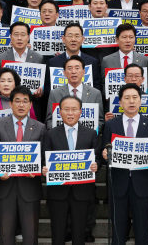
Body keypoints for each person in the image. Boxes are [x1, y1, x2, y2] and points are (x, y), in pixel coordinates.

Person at [101, 83, 148, 245]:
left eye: (135, 97)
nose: (131, 101)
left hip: (141, 182)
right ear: (120, 103)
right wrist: (105, 154)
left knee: (142, 227)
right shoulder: (111, 124)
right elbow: (104, 148)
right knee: (118, 227)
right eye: (126, 98)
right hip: (118, 182)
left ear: (141, 101)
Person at [0, 86, 46, 245]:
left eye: (25, 101)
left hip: (30, 185)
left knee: (30, 235)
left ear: (30, 105)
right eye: (17, 101)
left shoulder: (40, 127)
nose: (21, 105)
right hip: (4, 185)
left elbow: (42, 156)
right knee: (6, 236)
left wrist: (37, 170)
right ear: (11, 104)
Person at [43, 95, 100, 245]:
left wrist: (96, 165)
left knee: (79, 233)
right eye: (66, 109)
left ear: (80, 112)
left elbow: (98, 157)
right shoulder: (50, 134)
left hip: (81, 192)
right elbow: (44, 158)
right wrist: (44, 168)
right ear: (59, 112)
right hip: (57, 192)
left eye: (74, 109)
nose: (70, 113)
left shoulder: (90, 133)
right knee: (57, 232)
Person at [46, 55, 104, 130]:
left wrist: (89, 135)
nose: (73, 72)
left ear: (83, 72)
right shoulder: (55, 93)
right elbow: (49, 121)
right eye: (69, 68)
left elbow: (100, 120)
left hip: (87, 139)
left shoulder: (95, 93)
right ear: (64, 73)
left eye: (77, 68)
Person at [49, 23, 102, 91]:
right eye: (70, 36)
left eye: (77, 36)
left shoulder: (92, 62)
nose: (73, 39)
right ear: (63, 39)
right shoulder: (53, 62)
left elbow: (97, 87)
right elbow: (48, 88)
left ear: (82, 39)